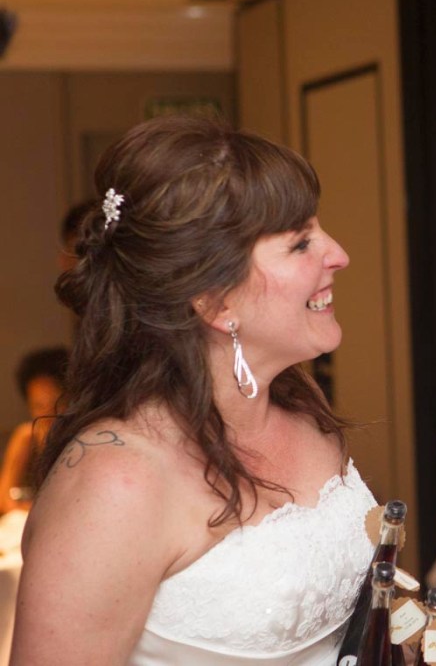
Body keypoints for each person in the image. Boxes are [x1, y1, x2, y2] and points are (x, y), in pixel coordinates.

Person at [13, 115, 378, 664]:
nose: (338, 254)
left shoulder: (301, 404)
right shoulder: (115, 483)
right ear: (215, 302)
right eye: (301, 242)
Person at [0, 347, 68, 514]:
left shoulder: (83, 438)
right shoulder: (27, 436)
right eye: (38, 406)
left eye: (56, 404)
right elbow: (4, 497)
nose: (48, 414)